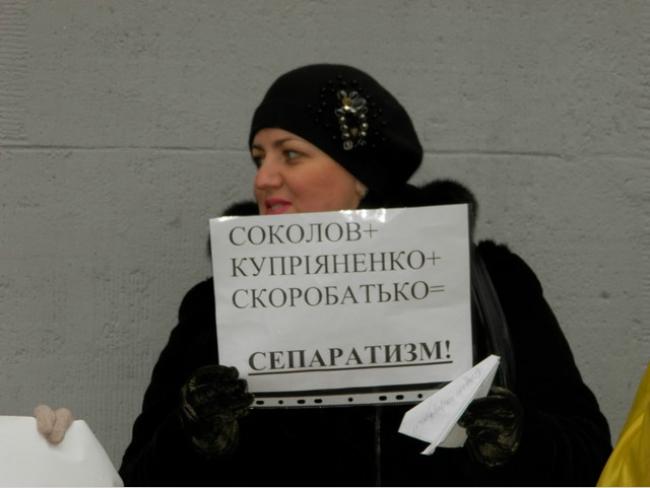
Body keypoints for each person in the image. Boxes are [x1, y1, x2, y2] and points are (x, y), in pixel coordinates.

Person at [114, 64, 611, 485]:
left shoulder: (491, 284)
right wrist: (193, 436)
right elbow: (137, 476)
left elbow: (589, 458)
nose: (263, 179)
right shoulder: (218, 304)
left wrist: (518, 439)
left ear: (361, 174)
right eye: (258, 158)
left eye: (291, 154)